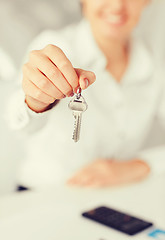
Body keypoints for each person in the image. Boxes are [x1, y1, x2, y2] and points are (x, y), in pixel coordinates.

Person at [7, 0, 165, 190]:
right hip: (43, 195)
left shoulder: (155, 61)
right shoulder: (54, 45)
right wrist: (35, 100)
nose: (116, 6)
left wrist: (139, 166)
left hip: (113, 196)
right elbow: (18, 125)